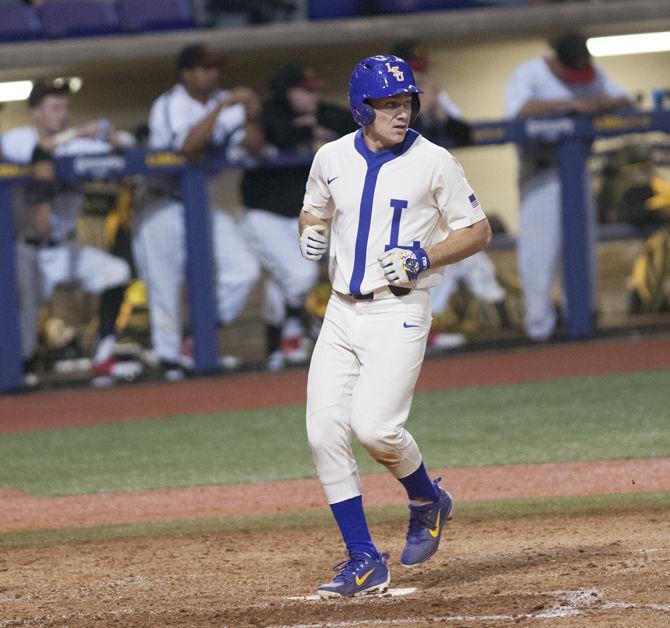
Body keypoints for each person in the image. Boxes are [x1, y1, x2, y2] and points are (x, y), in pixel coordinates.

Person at [299, 54, 491, 598]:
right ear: (361, 107)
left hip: (400, 310)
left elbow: (477, 232)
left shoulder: (435, 162)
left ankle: (427, 497)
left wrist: (424, 256)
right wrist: (310, 230)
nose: (400, 111)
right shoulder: (331, 156)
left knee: (376, 428)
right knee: (322, 433)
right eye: (387, 103)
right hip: (339, 311)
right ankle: (363, 558)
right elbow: (314, 208)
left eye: (405, 101)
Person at [132, 43, 263, 380]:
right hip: (161, 199)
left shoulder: (226, 104)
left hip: (199, 202)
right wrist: (222, 105)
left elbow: (255, 146)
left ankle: (195, 338)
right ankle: (168, 360)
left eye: (214, 67)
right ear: (186, 74)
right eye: (203, 68)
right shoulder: (169, 104)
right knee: (164, 284)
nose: (212, 74)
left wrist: (249, 112)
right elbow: (188, 147)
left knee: (244, 270)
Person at [1, 79, 133, 387]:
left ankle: (102, 353)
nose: (62, 114)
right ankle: (21, 382)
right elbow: (39, 151)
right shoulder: (18, 138)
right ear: (35, 112)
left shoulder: (75, 143)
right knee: (24, 325)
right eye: (54, 107)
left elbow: (126, 143)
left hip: (61, 249)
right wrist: (77, 132)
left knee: (117, 271)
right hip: (24, 248)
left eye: (66, 108)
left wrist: (109, 133)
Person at [505, 33, 631, 342]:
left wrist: (604, 102)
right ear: (557, 62)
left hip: (577, 172)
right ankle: (539, 328)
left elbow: (624, 97)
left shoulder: (593, 75)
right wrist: (567, 102)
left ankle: (582, 322)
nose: (578, 79)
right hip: (540, 173)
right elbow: (516, 113)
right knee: (539, 254)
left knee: (582, 249)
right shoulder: (529, 73)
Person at [239, 62, 356, 371]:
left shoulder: (323, 111)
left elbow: (348, 122)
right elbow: (279, 133)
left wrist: (310, 122)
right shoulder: (267, 113)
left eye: (313, 91)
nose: (312, 97)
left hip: (303, 215)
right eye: (304, 92)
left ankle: (277, 348)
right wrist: (308, 128)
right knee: (299, 275)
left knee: (283, 285)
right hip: (264, 215)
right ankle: (297, 328)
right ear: (286, 92)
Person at [391, 40, 507, 348]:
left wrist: (441, 111)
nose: (420, 78)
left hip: (431, 193)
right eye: (412, 72)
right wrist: (422, 106)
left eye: (420, 71)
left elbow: (464, 133)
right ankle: (409, 331)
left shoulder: (432, 95)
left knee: (445, 258)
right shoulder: (388, 103)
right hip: (397, 194)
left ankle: (424, 329)